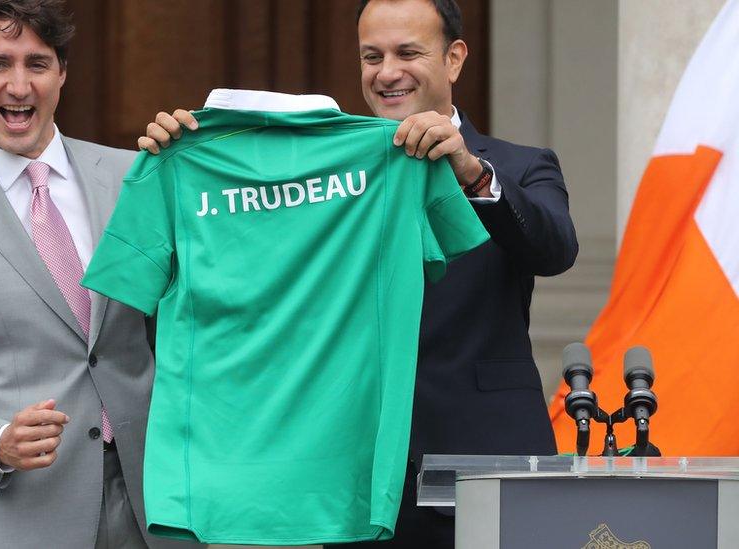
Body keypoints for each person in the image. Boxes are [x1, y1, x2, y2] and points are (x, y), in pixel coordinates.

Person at [137, 0, 578, 547]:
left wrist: (471, 173)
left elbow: (554, 249)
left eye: (407, 52)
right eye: (372, 56)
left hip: (482, 455)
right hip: (352, 472)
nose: (386, 72)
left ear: (455, 59)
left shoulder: (519, 165)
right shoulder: (314, 178)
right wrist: (186, 159)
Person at [0, 1, 192, 548]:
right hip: (24, 514)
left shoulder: (134, 178)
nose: (19, 85)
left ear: (62, 73)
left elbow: (192, 309)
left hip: (156, 505)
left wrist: (194, 157)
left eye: (38, 63)